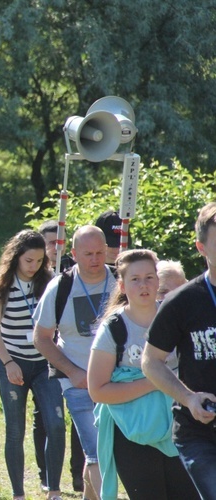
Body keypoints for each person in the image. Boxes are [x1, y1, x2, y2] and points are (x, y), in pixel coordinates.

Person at [88, 249, 197, 499]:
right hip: (132, 436)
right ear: (122, 286)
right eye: (135, 279)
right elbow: (98, 390)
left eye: (150, 277)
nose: (144, 285)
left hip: (182, 428)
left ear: (158, 281)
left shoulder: (178, 318)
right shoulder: (113, 329)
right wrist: (156, 381)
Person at [33, 225, 117, 499]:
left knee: (109, 451)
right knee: (95, 452)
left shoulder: (121, 280)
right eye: (88, 254)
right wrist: (72, 371)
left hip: (120, 382)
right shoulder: (61, 286)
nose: (95, 259)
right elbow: (42, 338)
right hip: (77, 382)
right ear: (73, 254)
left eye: (100, 253)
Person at [142, 202, 216, 498]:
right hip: (199, 430)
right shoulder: (182, 301)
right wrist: (188, 398)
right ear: (201, 248)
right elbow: (151, 361)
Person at [0, 230, 64, 500]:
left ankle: (53, 489)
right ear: (16, 257)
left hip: (45, 363)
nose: (34, 266)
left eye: (39, 261)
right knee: (15, 429)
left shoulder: (51, 280)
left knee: (55, 423)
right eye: (29, 260)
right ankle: (18, 493)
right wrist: (7, 362)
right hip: (12, 362)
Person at [37, 219, 83, 492]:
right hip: (40, 353)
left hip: (70, 354)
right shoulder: (33, 270)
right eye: (51, 242)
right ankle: (45, 473)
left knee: (78, 415)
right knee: (46, 416)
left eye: (60, 242)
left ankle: (79, 474)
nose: (56, 247)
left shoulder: (70, 273)